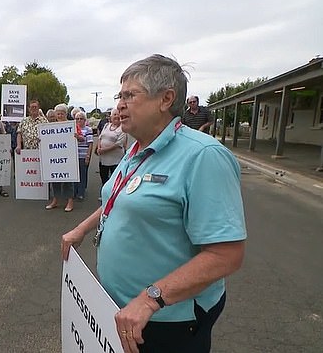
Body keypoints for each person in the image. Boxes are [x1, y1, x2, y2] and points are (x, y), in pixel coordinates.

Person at [61, 54, 246, 353]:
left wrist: (151, 299)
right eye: (119, 95)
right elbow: (118, 197)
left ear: (166, 99)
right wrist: (81, 229)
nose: (120, 104)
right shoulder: (137, 147)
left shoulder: (203, 156)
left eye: (130, 95)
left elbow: (227, 255)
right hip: (122, 310)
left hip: (166, 319)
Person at [45, 104, 75, 212]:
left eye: (62, 113)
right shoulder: (51, 127)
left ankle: (70, 201)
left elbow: (81, 138)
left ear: (66, 114)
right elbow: (47, 140)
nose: (60, 115)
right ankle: (55, 200)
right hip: (55, 157)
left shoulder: (72, 125)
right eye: (58, 113)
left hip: (68, 156)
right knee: (55, 179)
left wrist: (77, 136)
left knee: (68, 179)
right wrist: (41, 141)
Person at [96, 109, 126, 190]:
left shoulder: (123, 129)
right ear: (111, 117)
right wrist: (99, 148)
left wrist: (104, 150)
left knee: (115, 178)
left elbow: (118, 144)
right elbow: (100, 138)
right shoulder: (106, 125)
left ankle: (113, 195)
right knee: (103, 177)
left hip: (115, 159)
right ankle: (105, 193)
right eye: (114, 114)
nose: (116, 116)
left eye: (118, 114)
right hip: (103, 158)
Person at [73, 110, 94, 201]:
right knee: (74, 176)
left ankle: (81, 193)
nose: (79, 120)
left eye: (81, 119)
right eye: (77, 119)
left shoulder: (88, 129)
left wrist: (88, 156)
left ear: (85, 120)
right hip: (73, 156)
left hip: (83, 155)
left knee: (82, 175)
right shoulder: (72, 129)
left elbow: (90, 144)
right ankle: (74, 192)